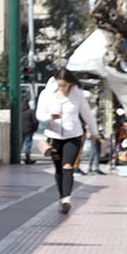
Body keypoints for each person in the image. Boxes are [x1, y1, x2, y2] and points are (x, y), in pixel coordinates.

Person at [33, 72, 98, 211]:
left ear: (70, 83)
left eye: (65, 85)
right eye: (59, 85)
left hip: (73, 135)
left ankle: (66, 199)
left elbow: (87, 114)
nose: (62, 88)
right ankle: (62, 197)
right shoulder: (46, 94)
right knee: (59, 169)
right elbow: (39, 115)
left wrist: (94, 132)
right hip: (54, 136)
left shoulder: (77, 94)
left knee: (67, 166)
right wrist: (50, 116)